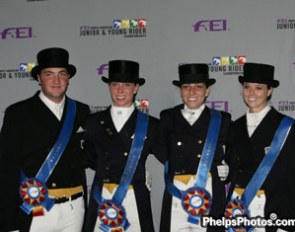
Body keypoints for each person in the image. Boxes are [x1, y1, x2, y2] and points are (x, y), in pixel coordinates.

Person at [0, 47, 90, 232]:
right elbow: (6, 168)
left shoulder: (81, 110)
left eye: (62, 74)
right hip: (36, 208)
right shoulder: (18, 113)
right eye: (49, 74)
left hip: (74, 208)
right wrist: (9, 221)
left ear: (68, 79)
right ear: (39, 78)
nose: (56, 80)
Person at [84, 60, 164, 232]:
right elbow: (90, 159)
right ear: (109, 87)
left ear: (136, 88)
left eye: (126, 85)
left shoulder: (151, 125)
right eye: (115, 84)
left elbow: (170, 156)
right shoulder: (93, 123)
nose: (120, 90)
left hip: (135, 198)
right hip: (102, 197)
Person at [159, 63, 232, 232]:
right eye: (186, 87)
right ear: (180, 91)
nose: (192, 92)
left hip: (210, 192)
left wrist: (228, 168)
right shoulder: (168, 117)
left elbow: (236, 152)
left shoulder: (222, 120)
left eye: (198, 87)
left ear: (207, 91)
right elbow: (159, 148)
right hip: (177, 192)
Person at [225, 62, 295, 232]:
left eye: (258, 88)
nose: (251, 93)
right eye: (247, 87)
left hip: (274, 210)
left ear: (269, 90)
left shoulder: (287, 127)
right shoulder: (234, 127)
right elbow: (233, 169)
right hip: (239, 207)